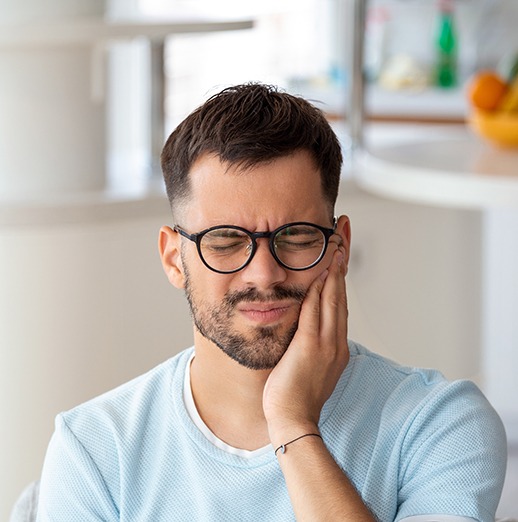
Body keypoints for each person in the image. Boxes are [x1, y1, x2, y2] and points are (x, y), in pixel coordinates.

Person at [36, 83, 507, 522]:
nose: (263, 273)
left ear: (339, 247)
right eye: (224, 241)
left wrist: (292, 423)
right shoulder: (95, 450)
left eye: (297, 237)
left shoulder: (439, 423)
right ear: (173, 259)